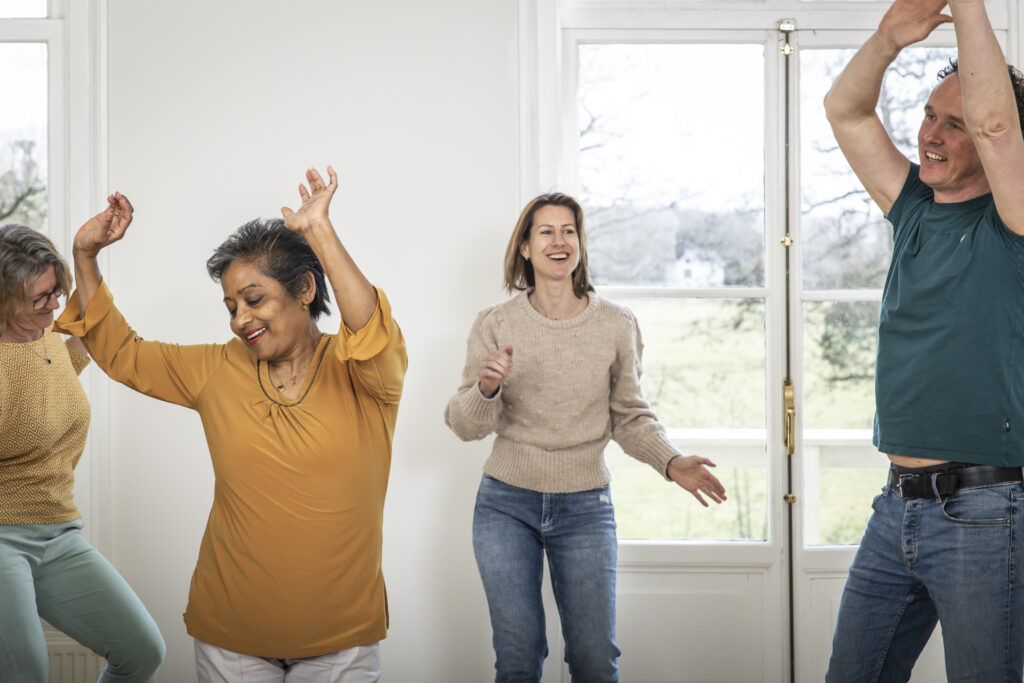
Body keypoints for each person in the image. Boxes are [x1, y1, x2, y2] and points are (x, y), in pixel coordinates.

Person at [55, 166, 407, 683]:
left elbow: (371, 326)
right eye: (231, 305)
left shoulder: (366, 375)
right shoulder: (218, 369)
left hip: (342, 640)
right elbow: (122, 353)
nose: (240, 318)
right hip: (231, 636)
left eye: (254, 298)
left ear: (305, 288)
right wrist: (85, 256)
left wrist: (318, 232)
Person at [444, 192, 727, 683]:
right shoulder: (496, 324)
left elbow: (630, 416)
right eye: (546, 232)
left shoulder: (616, 324)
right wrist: (487, 387)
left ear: (580, 244)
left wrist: (670, 461)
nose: (559, 241)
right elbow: (464, 424)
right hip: (505, 506)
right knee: (518, 656)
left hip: (585, 509)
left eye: (568, 230)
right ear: (526, 249)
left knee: (596, 660)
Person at [823, 0, 1024, 680]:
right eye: (930, 116)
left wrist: (968, 4)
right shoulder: (912, 208)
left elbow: (999, 127)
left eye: (954, 125)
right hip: (895, 506)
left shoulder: (1013, 224)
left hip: (985, 510)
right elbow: (846, 112)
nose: (931, 135)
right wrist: (885, 40)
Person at [0, 224, 165, 682]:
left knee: (142, 651)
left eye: (59, 291)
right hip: (2, 537)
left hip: (59, 535)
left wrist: (84, 252)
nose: (55, 304)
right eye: (42, 298)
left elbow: (94, 325)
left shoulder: (52, 343)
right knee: (27, 672)